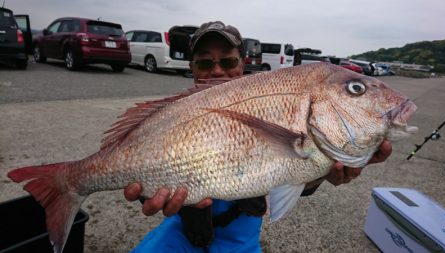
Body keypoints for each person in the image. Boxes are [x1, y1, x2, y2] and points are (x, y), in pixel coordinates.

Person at [125, 21, 393, 253]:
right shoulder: (172, 115)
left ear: (242, 64)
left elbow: (291, 172)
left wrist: (323, 173)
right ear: (192, 66)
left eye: (228, 61)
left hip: (239, 238)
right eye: (205, 62)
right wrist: (142, 191)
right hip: (181, 229)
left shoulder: (270, 101)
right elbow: (141, 164)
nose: (217, 71)